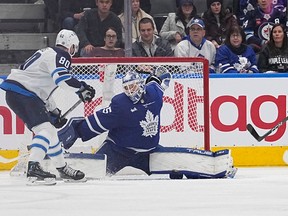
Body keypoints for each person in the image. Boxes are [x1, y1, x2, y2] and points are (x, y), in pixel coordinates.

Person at [58, 69, 237, 179]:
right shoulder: (120, 104)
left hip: (149, 153)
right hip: (118, 151)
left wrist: (157, 74)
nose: (130, 91)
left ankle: (219, 165)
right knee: (91, 172)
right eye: (127, 88)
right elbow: (95, 124)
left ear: (141, 85)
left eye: (134, 86)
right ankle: (54, 163)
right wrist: (75, 131)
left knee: (181, 164)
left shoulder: (153, 94)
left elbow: (164, 76)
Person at [0, 29, 96, 185]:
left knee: (49, 131)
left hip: (17, 93)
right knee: (45, 130)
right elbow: (62, 80)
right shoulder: (62, 54)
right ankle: (33, 166)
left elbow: (43, 87)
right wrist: (82, 88)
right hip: (25, 94)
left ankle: (61, 167)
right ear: (71, 46)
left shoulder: (46, 52)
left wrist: (54, 111)